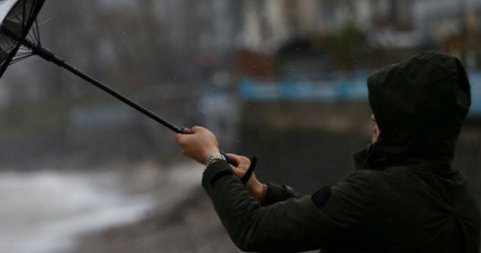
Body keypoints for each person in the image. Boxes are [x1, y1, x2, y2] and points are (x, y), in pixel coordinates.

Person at [175, 51, 480, 252]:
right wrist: (263, 192)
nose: (373, 117)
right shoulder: (460, 196)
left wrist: (212, 159)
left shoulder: (374, 193)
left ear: (407, 122)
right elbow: (342, 221)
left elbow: (254, 230)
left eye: (385, 111)